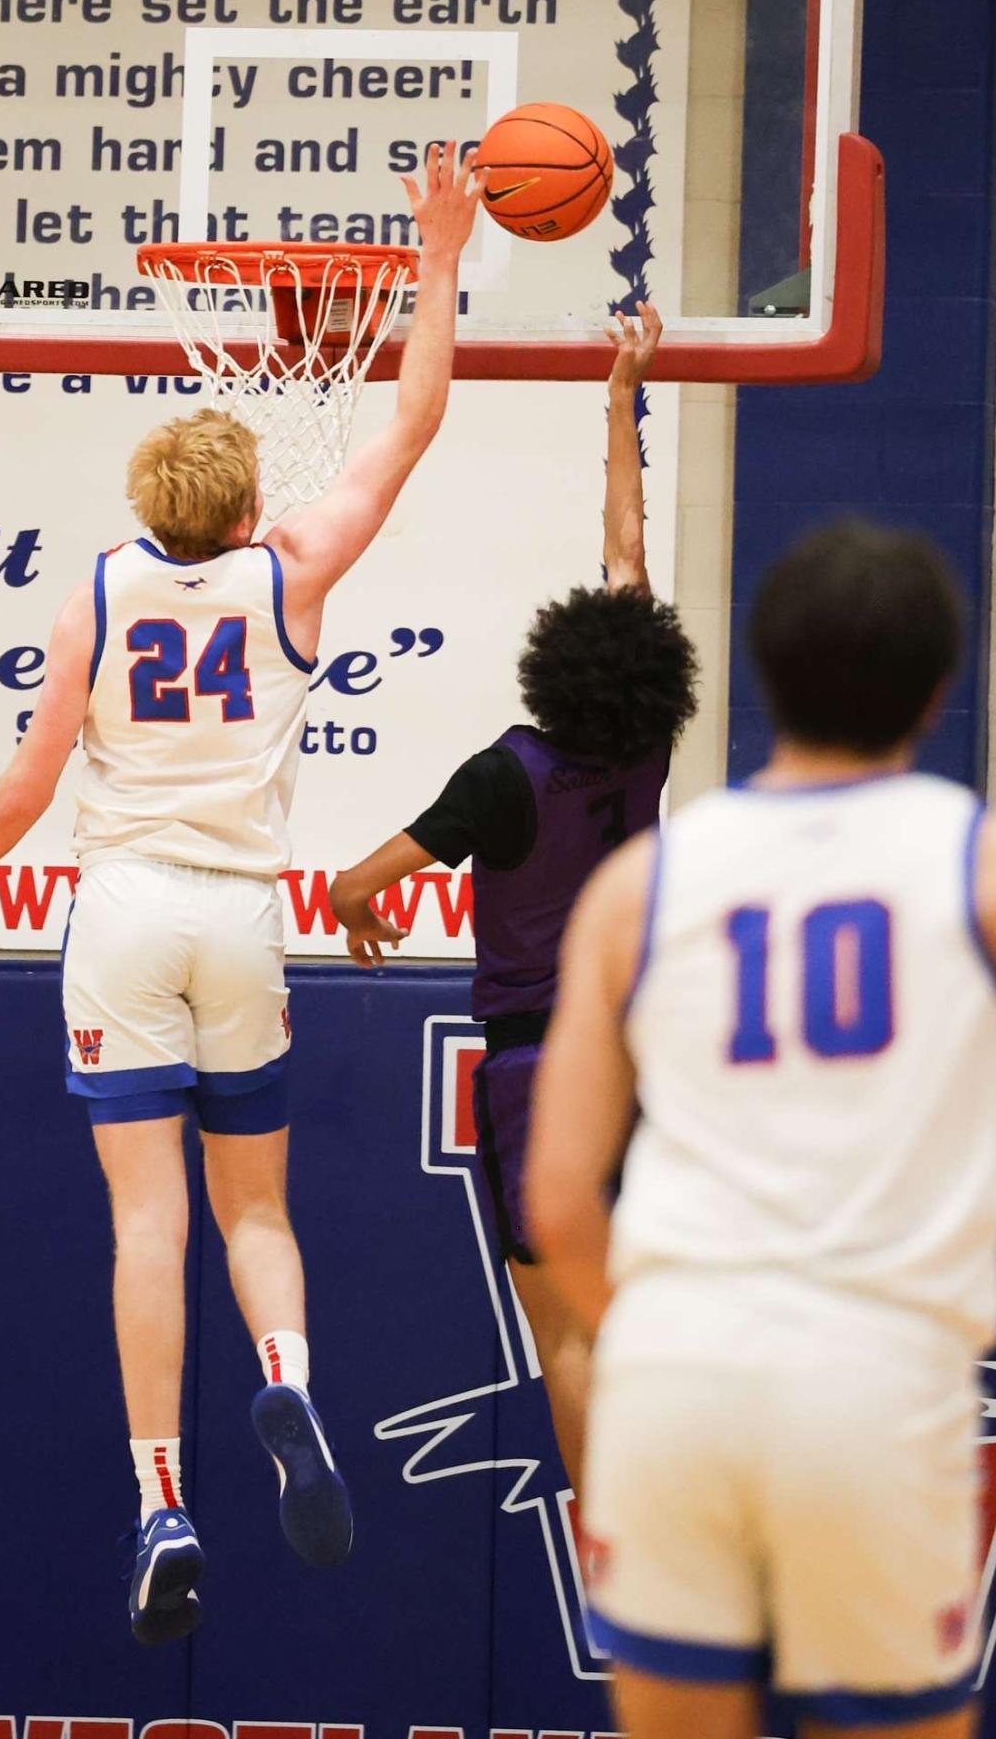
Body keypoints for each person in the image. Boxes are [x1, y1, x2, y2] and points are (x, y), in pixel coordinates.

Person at [0, 144, 484, 1645]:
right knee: (257, 1207)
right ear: (245, 500)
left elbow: (31, 781)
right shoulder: (293, 571)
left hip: (122, 912)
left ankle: (163, 1495)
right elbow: (410, 426)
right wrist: (435, 253)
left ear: (152, 500)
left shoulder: (94, 592)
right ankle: (286, 1381)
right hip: (240, 918)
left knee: (142, 1226)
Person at [527, 518, 996, 1739]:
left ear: (759, 676)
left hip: (673, 1379)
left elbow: (556, 1199)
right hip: (873, 1383)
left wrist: (667, 1342)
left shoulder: (637, 886)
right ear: (938, 688)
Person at [329, 305, 698, 1490]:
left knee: (568, 1336)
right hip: (656, 1059)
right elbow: (628, 552)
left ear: (548, 660)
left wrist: (353, 908)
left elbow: (356, 879)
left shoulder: (503, 776)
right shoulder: (647, 748)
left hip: (544, 1068)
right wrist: (618, 393)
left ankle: (617, 1558)